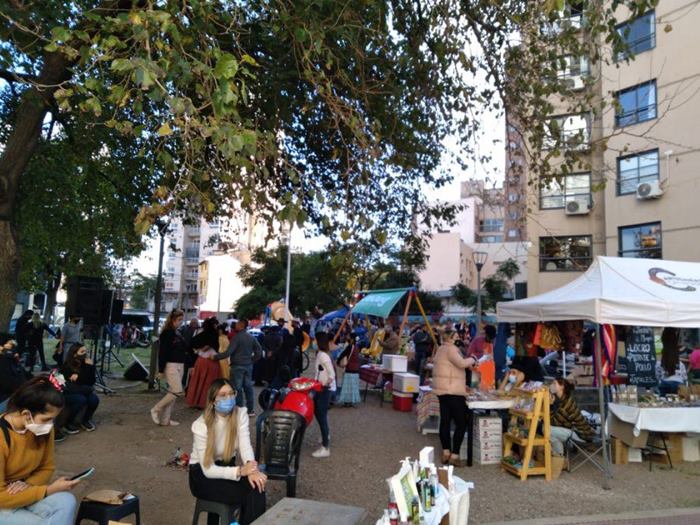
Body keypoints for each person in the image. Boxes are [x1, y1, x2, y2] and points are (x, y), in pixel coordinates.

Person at [0, 376, 81, 524]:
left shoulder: (43, 430)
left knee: (67, 501)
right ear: (26, 414)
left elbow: (47, 468)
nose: (50, 425)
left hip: (23, 492)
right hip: (3, 500)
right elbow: (1, 497)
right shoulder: (2, 437)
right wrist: (48, 490)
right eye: (46, 419)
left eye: (53, 419)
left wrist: (29, 484)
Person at [189, 378, 266, 524]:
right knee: (251, 492)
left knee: (257, 485)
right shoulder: (200, 425)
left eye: (231, 393)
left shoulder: (240, 414)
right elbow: (208, 470)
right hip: (202, 476)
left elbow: (245, 446)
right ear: (213, 401)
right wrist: (240, 471)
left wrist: (252, 470)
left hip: (226, 467)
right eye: (222, 395)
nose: (228, 398)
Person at [432, 328, 476, 466]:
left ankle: (446, 452)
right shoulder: (451, 349)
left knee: (445, 422)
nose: (458, 338)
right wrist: (473, 359)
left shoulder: (440, 349)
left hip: (442, 390)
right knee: (461, 423)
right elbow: (461, 363)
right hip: (453, 391)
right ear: (450, 338)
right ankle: (454, 455)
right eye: (456, 336)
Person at [214, 319, 262, 417]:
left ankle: (239, 409)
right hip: (248, 366)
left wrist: (215, 357)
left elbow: (228, 352)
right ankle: (250, 410)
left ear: (241, 325)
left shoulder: (236, 338)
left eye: (237, 324)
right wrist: (251, 360)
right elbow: (259, 352)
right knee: (248, 387)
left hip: (237, 366)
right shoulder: (251, 337)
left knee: (237, 388)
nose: (235, 325)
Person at [151, 309, 187, 426]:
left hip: (180, 365)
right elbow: (163, 352)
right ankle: (156, 409)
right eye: (179, 320)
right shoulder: (167, 333)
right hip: (171, 365)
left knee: (173, 393)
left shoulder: (178, 332)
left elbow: (183, 349)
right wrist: (161, 370)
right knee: (177, 391)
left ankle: (165, 420)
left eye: (182, 319)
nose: (181, 322)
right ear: (173, 319)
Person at [549, 377, 595, 456]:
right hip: (576, 431)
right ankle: (559, 457)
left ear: (562, 387)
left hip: (582, 434)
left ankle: (559, 457)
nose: (551, 386)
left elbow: (553, 422)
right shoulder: (562, 399)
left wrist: (550, 406)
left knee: (547, 430)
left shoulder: (566, 403)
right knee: (549, 432)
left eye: (554, 384)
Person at [60, 344, 99, 434]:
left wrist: (91, 367)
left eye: (85, 351)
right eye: (82, 352)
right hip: (69, 391)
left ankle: (85, 420)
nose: (85, 354)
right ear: (74, 354)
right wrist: (82, 376)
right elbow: (77, 382)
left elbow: (91, 381)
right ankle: (68, 422)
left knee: (94, 400)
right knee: (80, 400)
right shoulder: (67, 366)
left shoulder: (87, 364)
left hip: (83, 389)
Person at [186, 317, 223, 409]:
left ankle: (195, 401)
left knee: (198, 381)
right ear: (214, 325)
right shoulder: (214, 334)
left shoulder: (201, 333)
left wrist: (199, 350)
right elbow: (209, 346)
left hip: (200, 360)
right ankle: (204, 402)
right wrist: (204, 348)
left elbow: (192, 344)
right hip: (211, 361)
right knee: (208, 383)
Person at [312, 332, 335, 458]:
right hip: (320, 388)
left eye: (315, 340)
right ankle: (325, 435)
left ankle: (325, 447)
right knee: (320, 414)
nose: (313, 342)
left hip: (323, 389)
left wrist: (324, 384)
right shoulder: (321, 354)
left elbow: (331, 374)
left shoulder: (323, 356)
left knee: (321, 414)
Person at [0, 339, 32, 414]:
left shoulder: (11, 361)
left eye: (13, 347)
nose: (10, 351)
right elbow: (9, 384)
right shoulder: (3, 361)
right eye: (8, 347)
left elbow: (26, 375)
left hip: (11, 394)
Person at [336, 335, 360, 407]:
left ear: (352, 339)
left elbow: (343, 354)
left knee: (347, 386)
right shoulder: (356, 347)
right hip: (356, 370)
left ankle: (346, 401)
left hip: (349, 369)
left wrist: (338, 362)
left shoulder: (350, 347)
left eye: (349, 337)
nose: (348, 338)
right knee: (353, 386)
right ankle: (352, 401)